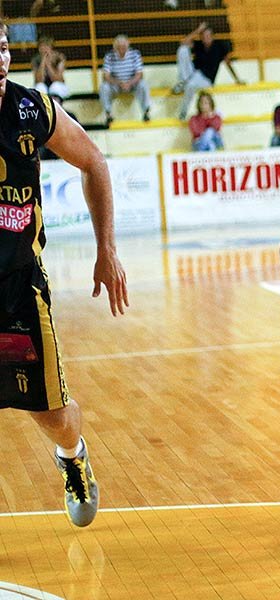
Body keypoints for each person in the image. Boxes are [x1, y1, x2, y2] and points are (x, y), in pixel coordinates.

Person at [0, 22, 128, 528]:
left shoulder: (32, 109)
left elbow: (93, 161)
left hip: (17, 290)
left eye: (3, 47)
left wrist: (106, 249)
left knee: (51, 413)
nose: (0, 59)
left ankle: (72, 456)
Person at [173, 22, 244, 120]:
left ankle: (183, 111)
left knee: (191, 85)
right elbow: (183, 42)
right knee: (182, 50)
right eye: (203, 36)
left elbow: (228, 63)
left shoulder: (219, 47)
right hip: (193, 74)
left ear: (212, 36)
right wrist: (198, 30)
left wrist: (237, 79)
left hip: (206, 79)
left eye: (207, 36)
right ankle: (183, 81)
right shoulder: (199, 45)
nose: (205, 38)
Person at [100, 34, 151, 126]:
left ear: (128, 46)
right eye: (119, 47)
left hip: (132, 84)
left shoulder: (135, 54)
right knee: (104, 87)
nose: (121, 49)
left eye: (123, 47)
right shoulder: (109, 56)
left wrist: (129, 83)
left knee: (143, 84)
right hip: (116, 85)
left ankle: (146, 112)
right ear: (115, 47)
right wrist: (119, 83)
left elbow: (139, 74)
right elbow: (106, 76)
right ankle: (108, 114)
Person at [31, 35, 68, 100]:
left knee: (55, 87)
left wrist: (48, 65)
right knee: (40, 87)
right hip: (43, 86)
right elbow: (38, 80)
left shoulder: (59, 58)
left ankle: (56, 104)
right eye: (41, 46)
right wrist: (43, 62)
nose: (44, 49)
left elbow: (57, 79)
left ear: (51, 47)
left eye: (46, 46)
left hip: (58, 86)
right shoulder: (35, 60)